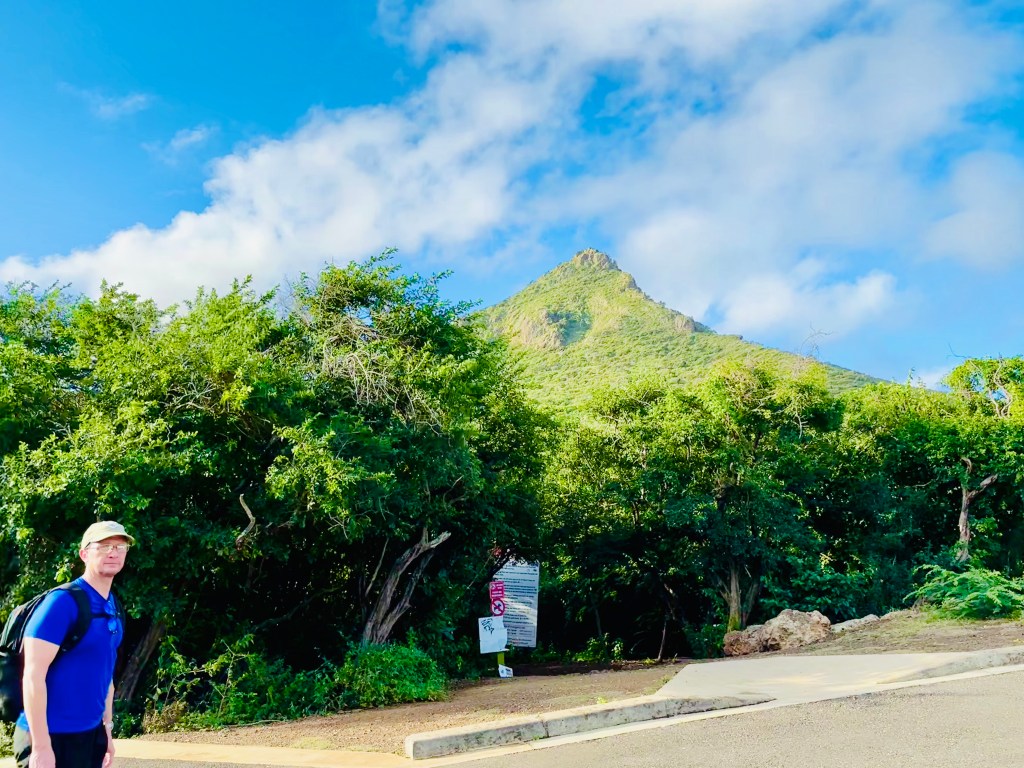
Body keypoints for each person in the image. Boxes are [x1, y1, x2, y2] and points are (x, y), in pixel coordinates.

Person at [13, 521, 133, 768]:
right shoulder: (61, 603)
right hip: (50, 736)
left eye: (120, 547)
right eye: (104, 546)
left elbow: (105, 675)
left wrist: (107, 731)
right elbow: (33, 676)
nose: (113, 552)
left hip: (90, 734)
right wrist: (41, 747)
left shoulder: (113, 605)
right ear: (84, 554)